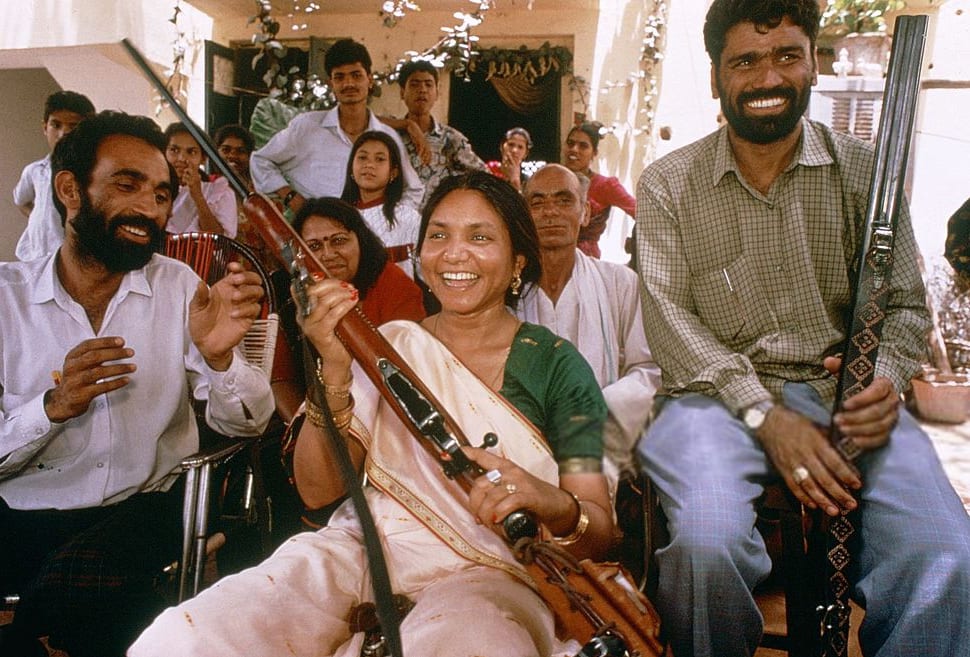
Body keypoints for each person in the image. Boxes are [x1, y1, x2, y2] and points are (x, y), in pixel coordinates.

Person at [130, 171, 616, 657]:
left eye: (481, 237)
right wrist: (336, 367)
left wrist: (543, 498)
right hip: (366, 549)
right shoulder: (391, 345)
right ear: (421, 256)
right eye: (439, 235)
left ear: (518, 261)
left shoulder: (557, 365)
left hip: (495, 569)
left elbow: (600, 529)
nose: (454, 253)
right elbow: (319, 489)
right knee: (197, 633)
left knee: (467, 641)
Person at [634, 1, 970, 656]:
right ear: (715, 77)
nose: (768, 77)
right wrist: (764, 413)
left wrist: (886, 381)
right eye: (746, 60)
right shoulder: (668, 184)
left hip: (845, 397)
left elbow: (904, 304)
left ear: (814, 62)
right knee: (705, 545)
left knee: (946, 554)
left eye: (788, 54)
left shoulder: (866, 171)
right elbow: (671, 323)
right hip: (710, 400)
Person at [0, 111, 275, 657]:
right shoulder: (7, 301)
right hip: (23, 523)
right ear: (70, 189)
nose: (149, 209)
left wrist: (221, 362)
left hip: (145, 513)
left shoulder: (179, 287)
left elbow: (248, 424)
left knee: (97, 599)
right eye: (128, 186)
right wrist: (51, 407)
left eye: (160, 194)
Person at [518, 164, 659, 479]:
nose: (550, 212)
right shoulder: (506, 289)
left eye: (564, 200)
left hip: (600, 437)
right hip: (519, 440)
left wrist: (589, 414)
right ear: (524, 216)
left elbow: (648, 370)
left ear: (585, 213)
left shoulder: (619, 282)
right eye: (537, 203)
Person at [271, 196, 426, 424]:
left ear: (360, 241)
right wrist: (307, 432)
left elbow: (412, 375)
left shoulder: (393, 283)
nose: (327, 254)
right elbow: (280, 380)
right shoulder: (289, 294)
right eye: (314, 246)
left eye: (338, 241)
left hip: (392, 419)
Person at [250, 38, 423, 214]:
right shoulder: (307, 127)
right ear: (331, 84)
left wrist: (389, 222)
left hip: (370, 238)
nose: (349, 84)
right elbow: (260, 160)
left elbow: (414, 189)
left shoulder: (386, 136)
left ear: (369, 80)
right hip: (315, 234)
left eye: (356, 75)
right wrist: (290, 198)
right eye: (340, 77)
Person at [380, 59, 486, 206]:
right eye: (414, 84)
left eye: (428, 84)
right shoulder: (390, 135)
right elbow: (362, 119)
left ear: (437, 93)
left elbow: (484, 176)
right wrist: (407, 124)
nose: (422, 90)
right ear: (402, 92)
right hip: (397, 221)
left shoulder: (450, 139)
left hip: (436, 222)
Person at [12, 90, 95, 262]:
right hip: (35, 256)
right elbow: (21, 200)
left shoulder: (93, 172)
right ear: (45, 127)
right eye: (56, 125)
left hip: (72, 260)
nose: (63, 133)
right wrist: (41, 217)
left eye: (73, 126)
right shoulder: (34, 170)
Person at [340, 131, 422, 278]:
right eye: (362, 157)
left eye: (380, 159)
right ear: (351, 167)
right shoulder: (336, 217)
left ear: (394, 172)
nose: (369, 165)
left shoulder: (408, 217)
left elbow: (425, 270)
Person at [562, 122, 636, 259]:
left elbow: (639, 211)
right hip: (551, 256)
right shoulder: (554, 180)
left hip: (585, 259)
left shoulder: (605, 185)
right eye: (570, 143)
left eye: (583, 146)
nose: (574, 149)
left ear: (594, 153)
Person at [163, 122, 238, 237]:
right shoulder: (152, 188)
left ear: (203, 158)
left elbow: (218, 240)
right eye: (174, 150)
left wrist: (197, 196)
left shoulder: (219, 192)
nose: (182, 158)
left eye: (191, 152)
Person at [486, 127, 532, 192]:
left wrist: (515, 182)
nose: (514, 150)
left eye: (520, 147)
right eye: (511, 144)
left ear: (526, 154)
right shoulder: (488, 169)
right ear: (501, 147)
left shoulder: (528, 182)